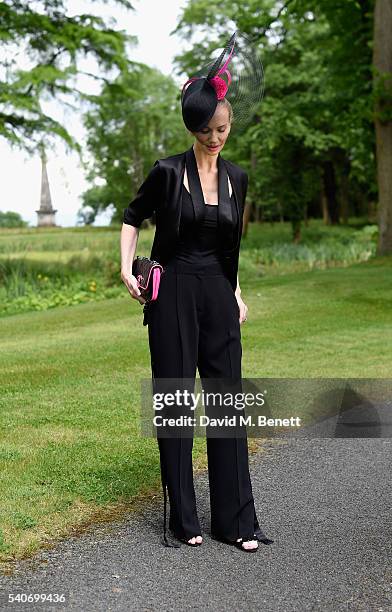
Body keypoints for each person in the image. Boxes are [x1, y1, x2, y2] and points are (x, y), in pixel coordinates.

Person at [120, 31, 273, 552]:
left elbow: (231, 247)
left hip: (216, 291)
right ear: (193, 128)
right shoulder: (167, 172)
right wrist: (126, 269)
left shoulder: (238, 178)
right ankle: (185, 519)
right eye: (207, 130)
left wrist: (236, 293)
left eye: (223, 129)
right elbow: (131, 217)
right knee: (177, 403)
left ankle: (236, 521)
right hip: (173, 293)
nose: (216, 138)